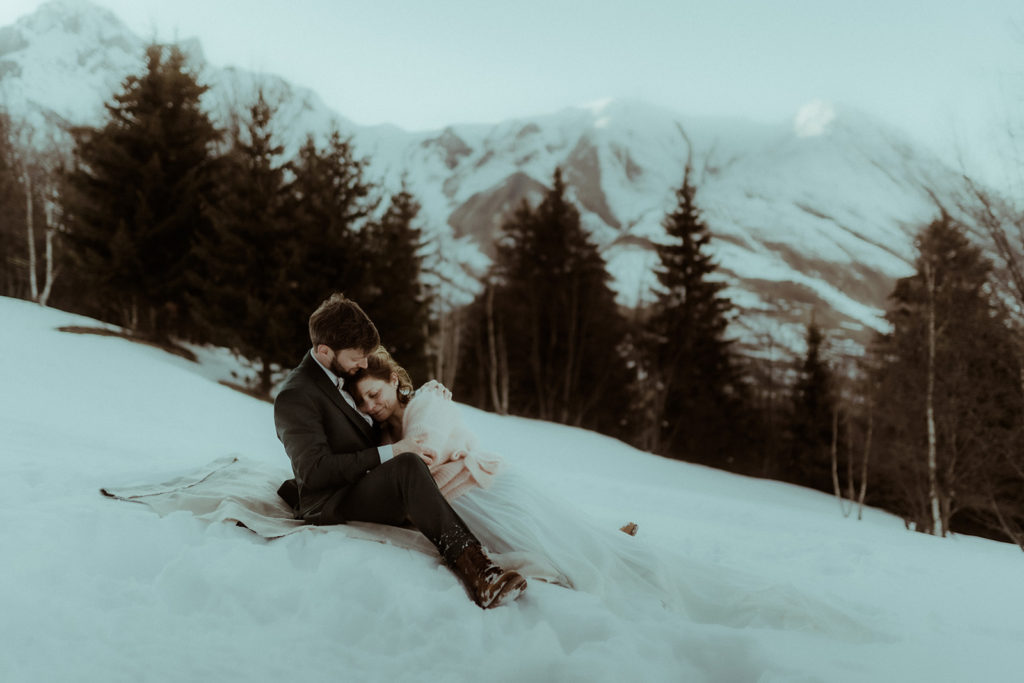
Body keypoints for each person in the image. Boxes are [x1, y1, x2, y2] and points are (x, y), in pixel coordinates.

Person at [346, 345, 674, 602]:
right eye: (361, 401)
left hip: (486, 491)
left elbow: (426, 454)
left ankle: (621, 554)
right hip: (461, 507)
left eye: (373, 394)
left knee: (561, 551)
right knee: (550, 549)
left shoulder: (427, 402)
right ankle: (610, 544)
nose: (369, 405)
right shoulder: (384, 437)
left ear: (393, 381)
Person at [273, 293, 526, 609]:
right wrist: (391, 453)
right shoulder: (296, 396)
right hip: (332, 500)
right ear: (324, 351)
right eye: (357, 357)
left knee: (407, 463)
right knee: (405, 465)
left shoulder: (343, 376)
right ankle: (479, 573)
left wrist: (424, 401)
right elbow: (314, 472)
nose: (364, 363)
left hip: (362, 483)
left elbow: (372, 420)